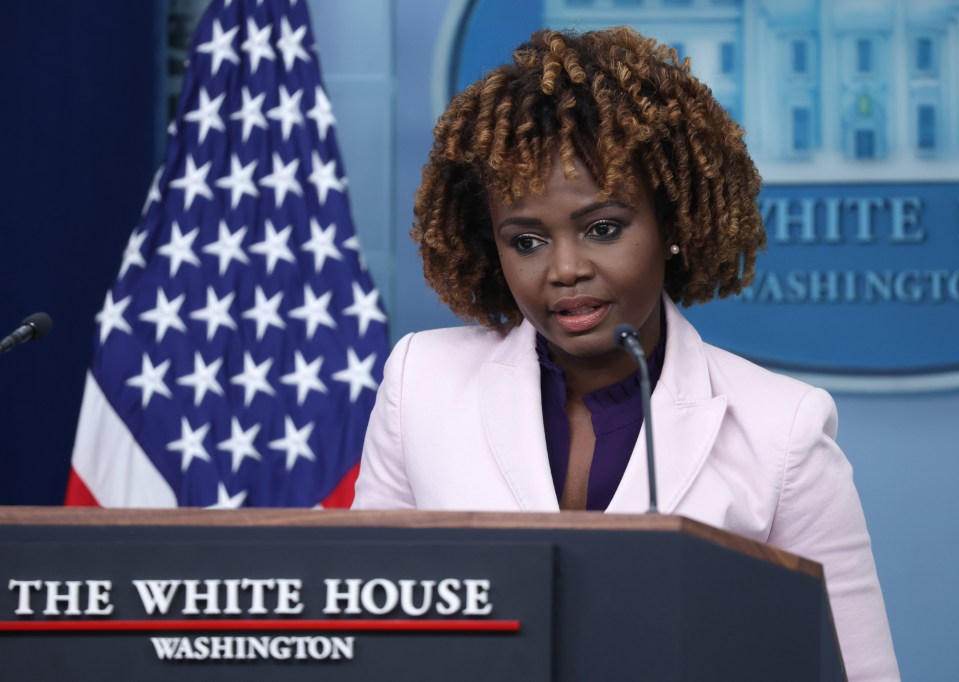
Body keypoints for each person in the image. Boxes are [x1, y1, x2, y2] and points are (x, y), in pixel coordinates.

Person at [353, 26, 899, 680]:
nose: (564, 268)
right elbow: (370, 637)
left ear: (670, 223)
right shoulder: (422, 385)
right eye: (526, 241)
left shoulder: (784, 430)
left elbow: (855, 671)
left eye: (603, 229)